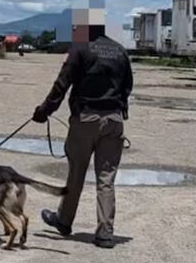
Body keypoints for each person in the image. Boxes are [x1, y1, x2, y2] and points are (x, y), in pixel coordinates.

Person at [32, 25, 133, 248]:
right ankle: (105, 233)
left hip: (86, 118)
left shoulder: (80, 48)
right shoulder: (120, 50)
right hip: (115, 120)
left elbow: (62, 84)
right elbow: (127, 86)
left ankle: (64, 220)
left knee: (77, 172)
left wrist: (44, 111)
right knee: (106, 178)